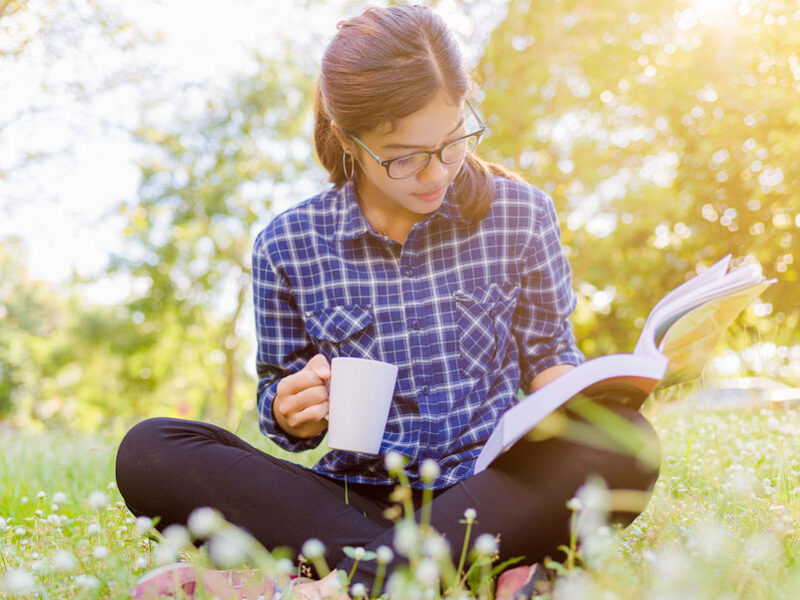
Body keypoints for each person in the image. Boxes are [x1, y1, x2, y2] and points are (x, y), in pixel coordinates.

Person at [116, 5, 660, 599]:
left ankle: (302, 586)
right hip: (354, 498)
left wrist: (593, 395)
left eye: (452, 141)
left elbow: (550, 353)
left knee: (626, 442)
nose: (436, 172)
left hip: (492, 488)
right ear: (350, 141)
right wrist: (289, 411)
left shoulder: (521, 214)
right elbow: (283, 408)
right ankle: (477, 572)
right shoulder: (287, 244)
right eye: (404, 155)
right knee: (150, 451)